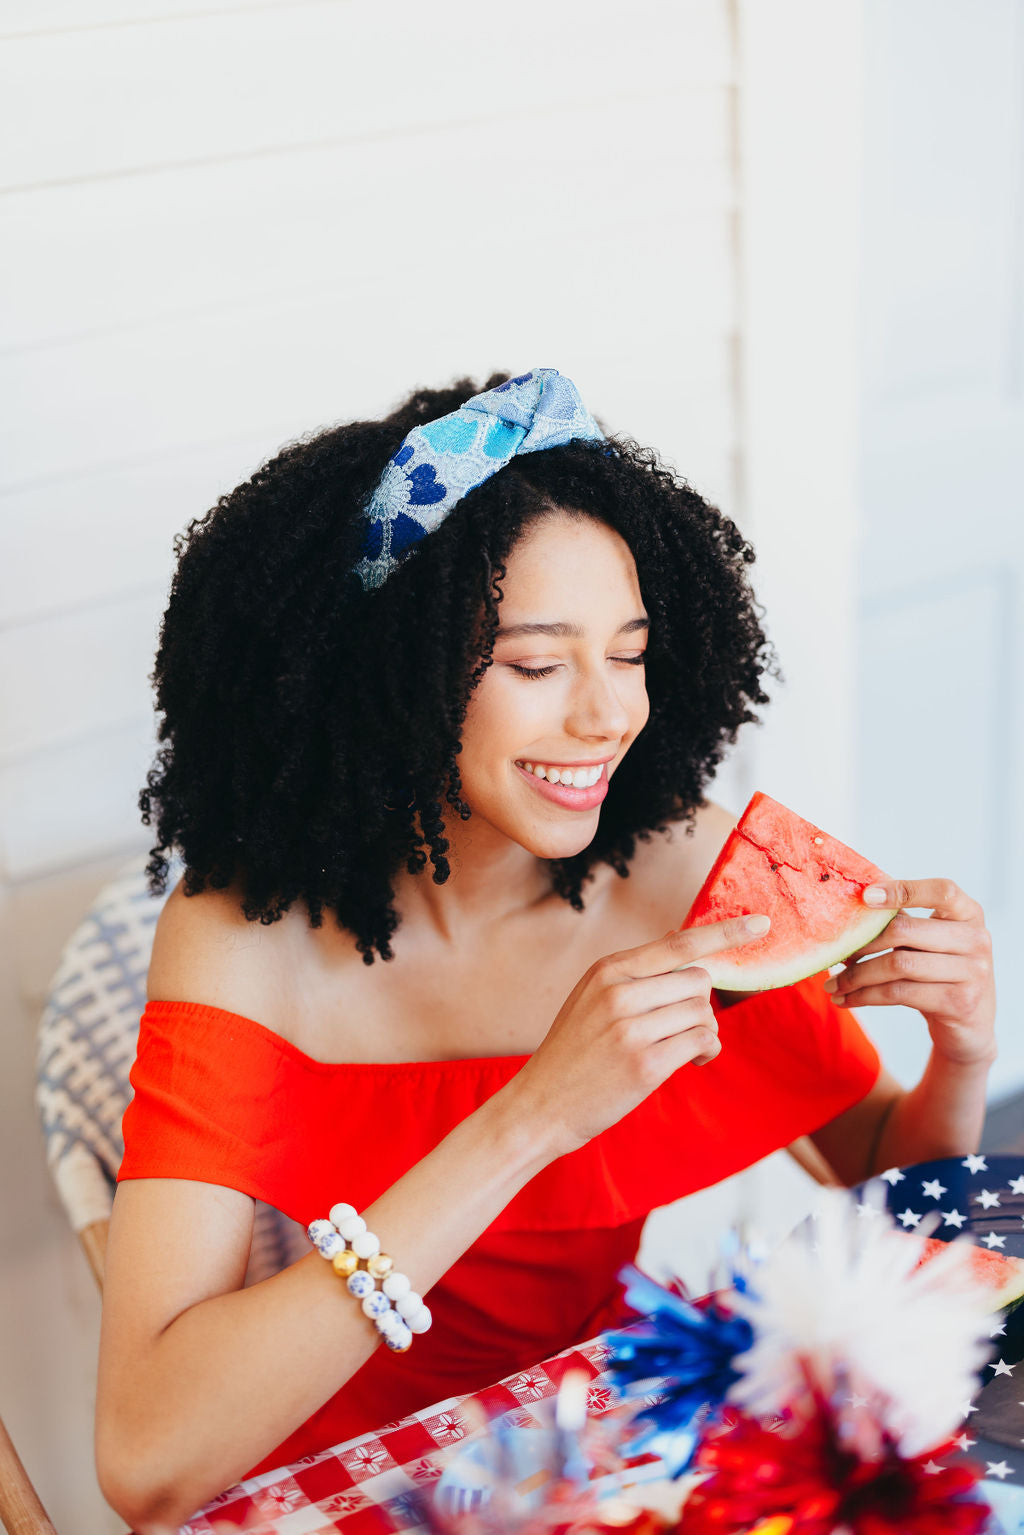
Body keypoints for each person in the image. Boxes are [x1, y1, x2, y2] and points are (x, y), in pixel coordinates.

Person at [96, 370, 997, 1531]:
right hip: (350, 1487)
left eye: (629, 653)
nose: (609, 714)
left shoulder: (683, 870)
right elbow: (145, 1457)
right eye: (534, 664)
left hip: (614, 1465)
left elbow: (884, 1181)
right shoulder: (241, 938)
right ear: (390, 674)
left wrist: (961, 1055)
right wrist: (529, 1116)